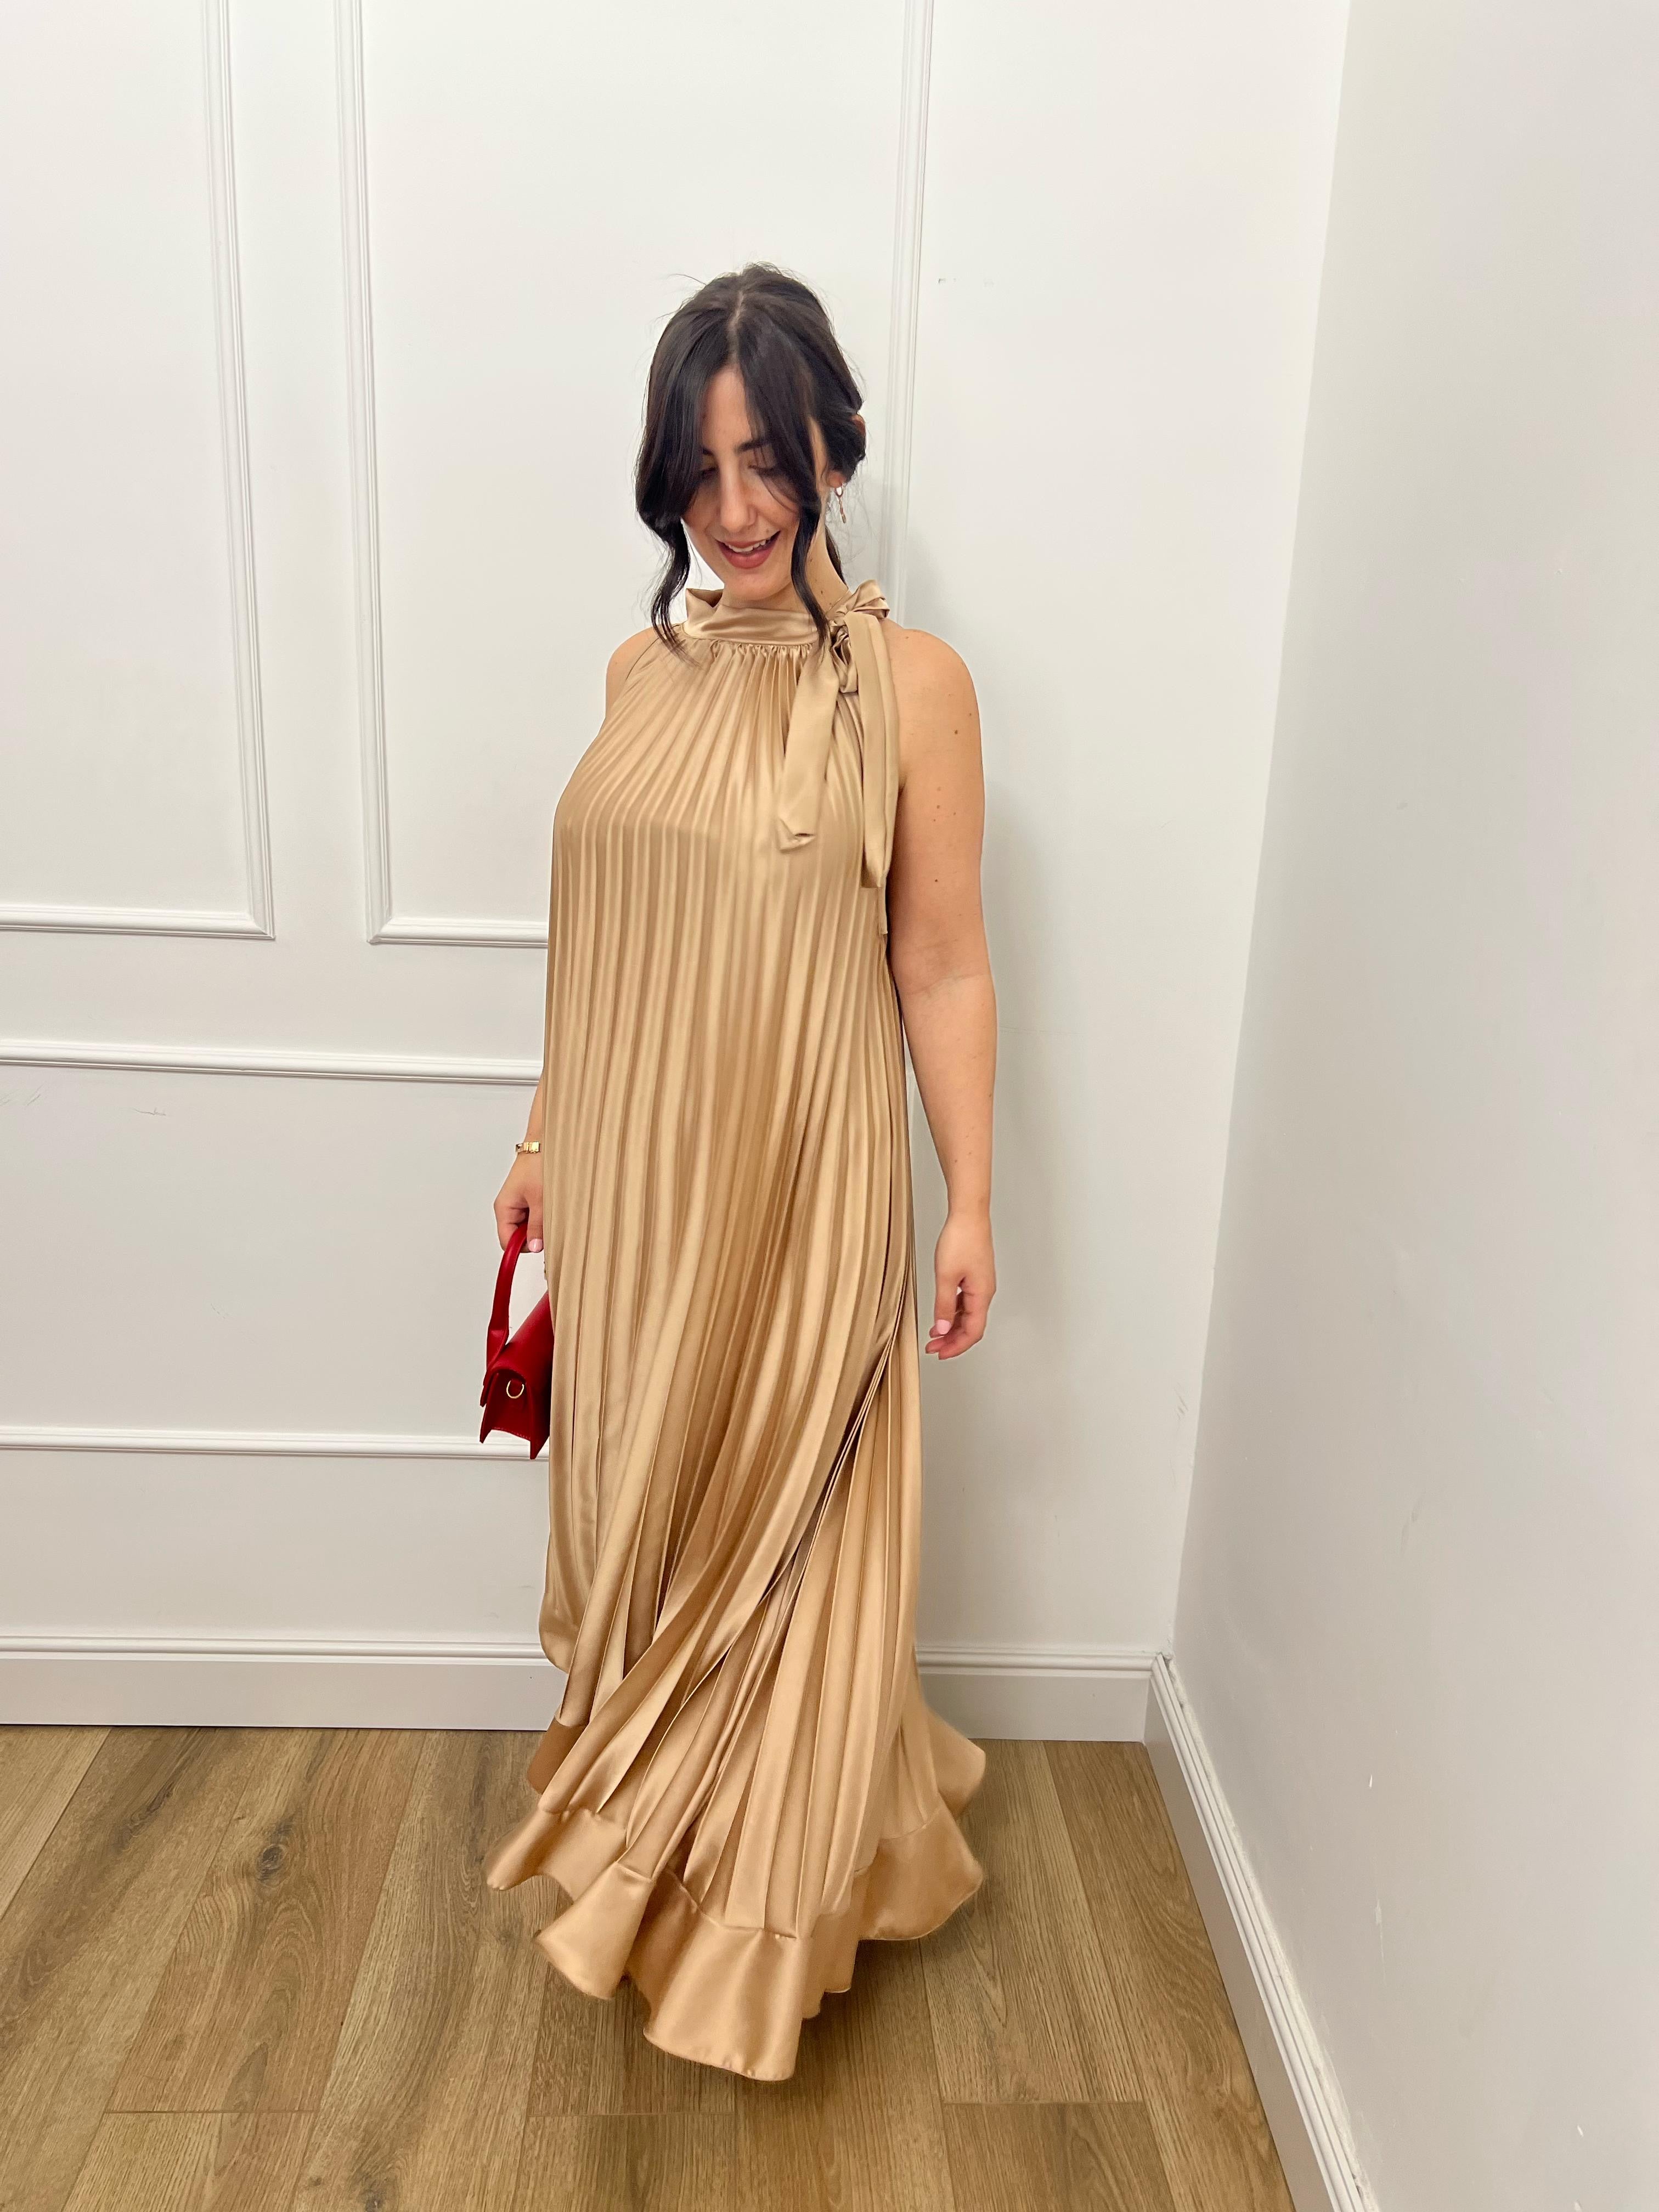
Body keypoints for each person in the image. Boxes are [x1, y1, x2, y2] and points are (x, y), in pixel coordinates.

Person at [482, 262, 998, 2082]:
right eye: (700, 471)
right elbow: (605, 945)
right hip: (636, 1189)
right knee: (663, 1516)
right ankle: (691, 1868)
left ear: (834, 451)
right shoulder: (644, 669)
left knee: (781, 1546)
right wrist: (544, 1140)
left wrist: (973, 1198)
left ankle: (746, 1933)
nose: (736, 508)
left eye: (767, 460)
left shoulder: (915, 688)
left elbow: (941, 961)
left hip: (804, 1187)